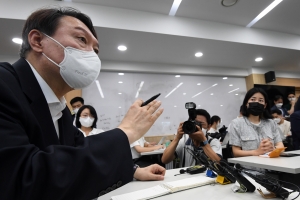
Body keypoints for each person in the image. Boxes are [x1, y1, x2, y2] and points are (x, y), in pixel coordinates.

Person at [0, 7, 165, 200]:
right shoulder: (4, 85)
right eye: (81, 39)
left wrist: (134, 170)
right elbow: (21, 181)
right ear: (38, 41)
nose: (92, 56)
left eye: (96, 51)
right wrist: (126, 132)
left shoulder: (60, 110)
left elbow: (78, 154)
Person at [229, 88, 284, 158]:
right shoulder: (236, 123)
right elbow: (236, 152)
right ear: (246, 103)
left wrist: (273, 149)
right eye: (253, 99)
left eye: (261, 100)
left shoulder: (271, 123)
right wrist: (256, 152)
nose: (257, 103)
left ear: (265, 105)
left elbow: (280, 146)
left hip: (271, 166)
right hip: (247, 167)